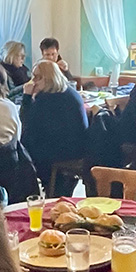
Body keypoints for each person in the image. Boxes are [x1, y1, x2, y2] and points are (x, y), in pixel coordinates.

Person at [20, 60, 88, 195]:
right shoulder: (70, 92)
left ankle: (30, 192)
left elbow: (26, 122)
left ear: (47, 78)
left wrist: (27, 97)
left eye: (37, 77)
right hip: (80, 148)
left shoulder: (46, 99)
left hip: (59, 153)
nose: (33, 81)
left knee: (22, 150)